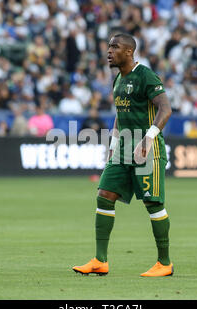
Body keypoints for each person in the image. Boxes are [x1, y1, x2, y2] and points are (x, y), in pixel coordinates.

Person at [73, 34, 173, 277]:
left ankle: (165, 263)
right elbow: (120, 114)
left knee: (153, 204)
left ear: (129, 52)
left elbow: (165, 108)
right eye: (108, 46)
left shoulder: (146, 75)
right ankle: (100, 260)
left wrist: (149, 138)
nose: (109, 50)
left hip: (148, 150)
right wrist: (114, 144)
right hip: (123, 149)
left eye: (114, 47)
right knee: (104, 195)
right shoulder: (118, 78)